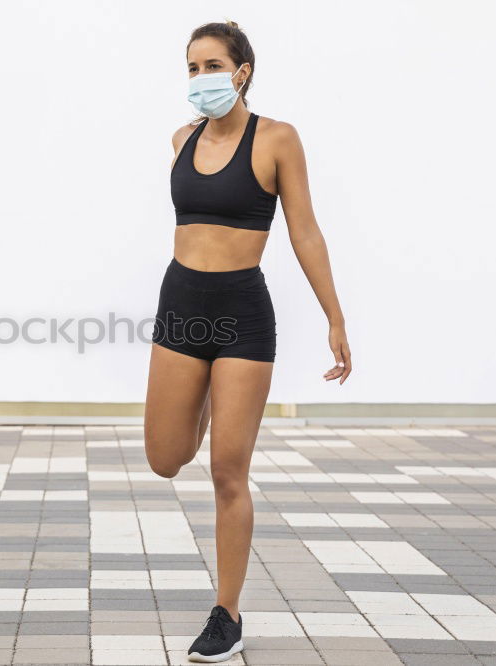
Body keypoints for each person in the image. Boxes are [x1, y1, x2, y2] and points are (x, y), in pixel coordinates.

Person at [144, 19, 352, 663]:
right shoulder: (181, 139)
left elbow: (306, 233)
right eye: (190, 68)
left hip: (241, 314)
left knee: (227, 471)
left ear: (242, 72)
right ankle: (203, 404)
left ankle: (226, 613)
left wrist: (335, 317)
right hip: (180, 308)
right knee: (165, 457)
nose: (199, 79)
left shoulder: (278, 139)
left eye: (210, 66)